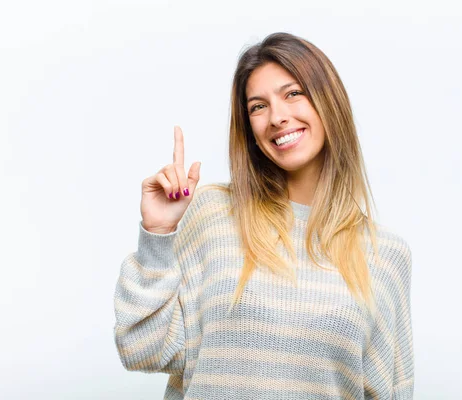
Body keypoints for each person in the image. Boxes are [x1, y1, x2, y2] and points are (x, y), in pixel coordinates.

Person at [113, 32, 414, 400]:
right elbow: (141, 348)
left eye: (293, 94)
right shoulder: (215, 216)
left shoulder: (385, 255)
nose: (277, 117)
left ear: (328, 102)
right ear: (250, 130)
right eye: (258, 107)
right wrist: (158, 233)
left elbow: (392, 391)